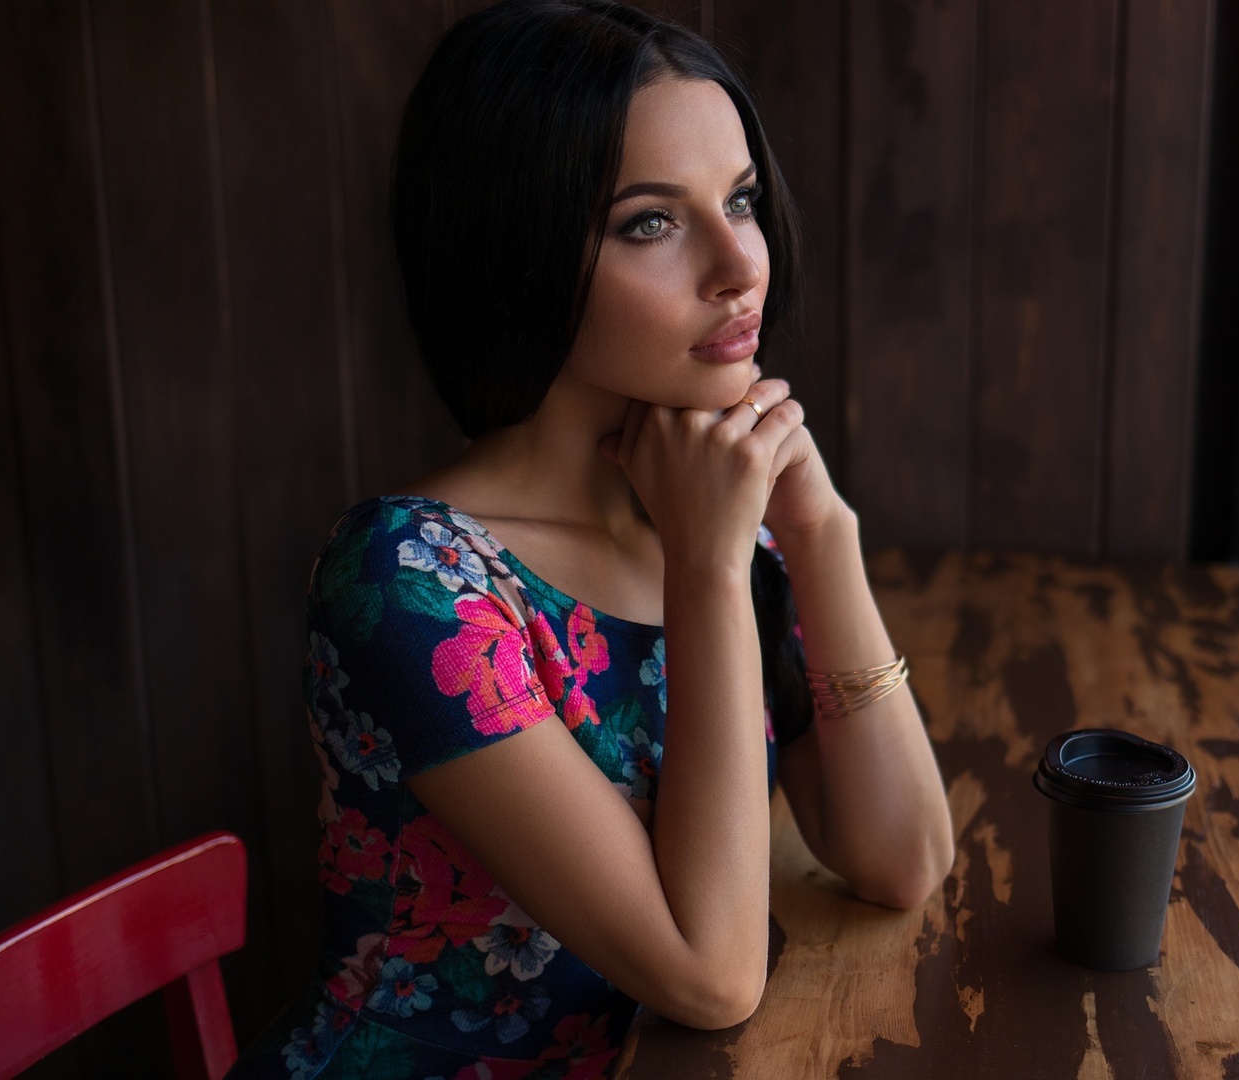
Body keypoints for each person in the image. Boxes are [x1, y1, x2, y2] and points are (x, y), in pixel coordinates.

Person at [227, 3, 954, 1075]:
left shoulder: (713, 517)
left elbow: (902, 859)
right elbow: (709, 979)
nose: (737, 265)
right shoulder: (406, 577)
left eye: (741, 201)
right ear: (514, 248)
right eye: (650, 222)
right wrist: (711, 564)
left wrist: (820, 527)